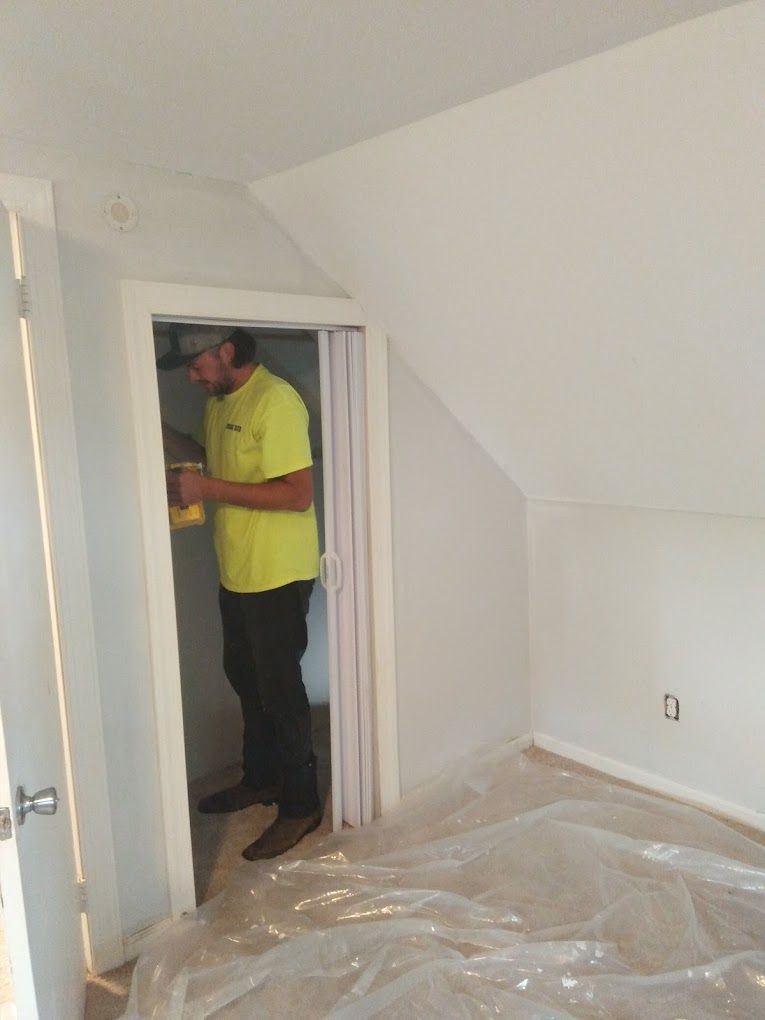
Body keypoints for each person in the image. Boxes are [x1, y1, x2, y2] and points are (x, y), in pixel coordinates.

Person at [158, 323, 322, 860]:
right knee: (245, 678)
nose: (192, 374)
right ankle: (261, 779)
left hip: (277, 573)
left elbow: (297, 495)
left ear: (227, 351)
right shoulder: (222, 400)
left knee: (280, 689)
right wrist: (160, 433)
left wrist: (205, 488)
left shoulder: (275, 401)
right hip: (239, 569)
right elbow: (217, 457)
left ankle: (300, 805)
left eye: (197, 362)